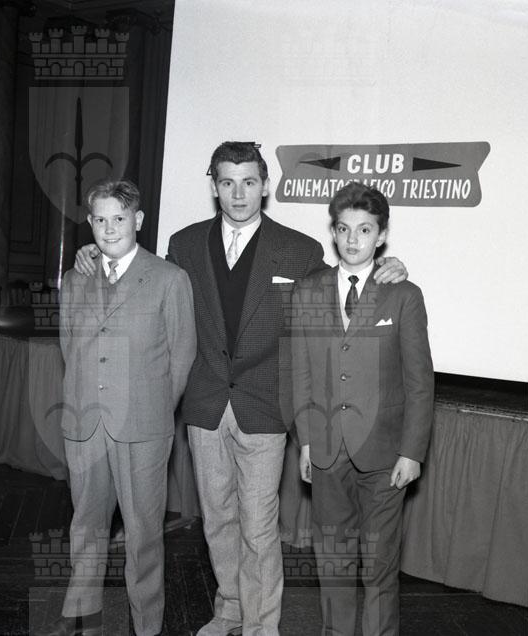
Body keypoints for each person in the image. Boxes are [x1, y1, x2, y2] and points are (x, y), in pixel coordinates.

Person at [73, 142, 407, 635]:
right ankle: (229, 609)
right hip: (205, 403)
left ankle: (261, 626)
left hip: (265, 407)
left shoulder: (298, 250)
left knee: (258, 524)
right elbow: (141, 274)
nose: (238, 193)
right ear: (214, 186)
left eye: (249, 182)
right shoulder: (185, 244)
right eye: (227, 182)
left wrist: (385, 270)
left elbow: (342, 287)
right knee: (217, 522)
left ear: (265, 186)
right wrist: (91, 252)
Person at [35, 180, 196, 636]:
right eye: (100, 220)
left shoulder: (169, 278)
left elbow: (182, 356)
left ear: (138, 220)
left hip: (144, 426)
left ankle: (146, 625)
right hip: (86, 424)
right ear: (90, 223)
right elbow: (70, 347)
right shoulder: (76, 278)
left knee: (144, 534)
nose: (109, 229)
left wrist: (154, 408)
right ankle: (80, 614)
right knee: (85, 526)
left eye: (119, 219)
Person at [291, 181, 434, 636]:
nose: (353, 240)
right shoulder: (308, 292)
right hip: (326, 449)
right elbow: (301, 372)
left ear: (382, 235)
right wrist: (306, 441)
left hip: (386, 454)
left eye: (365, 229)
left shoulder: (403, 294)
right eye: (344, 229)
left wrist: (412, 452)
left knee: (378, 565)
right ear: (333, 232)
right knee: (332, 563)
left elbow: (420, 381)